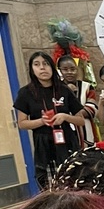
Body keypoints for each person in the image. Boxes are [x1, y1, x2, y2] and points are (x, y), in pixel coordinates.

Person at [13, 52, 84, 189]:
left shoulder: (64, 90)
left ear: (52, 67)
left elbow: (80, 120)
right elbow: (21, 123)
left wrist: (65, 117)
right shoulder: (26, 93)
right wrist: (41, 121)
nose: (42, 68)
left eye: (45, 64)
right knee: (50, 189)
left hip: (67, 144)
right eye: (37, 64)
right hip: (44, 147)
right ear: (32, 69)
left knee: (74, 186)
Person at [58, 54, 98, 147]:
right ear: (60, 71)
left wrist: (69, 115)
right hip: (64, 132)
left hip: (86, 133)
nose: (69, 72)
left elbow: (92, 109)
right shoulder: (56, 89)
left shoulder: (87, 87)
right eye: (65, 69)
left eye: (73, 69)